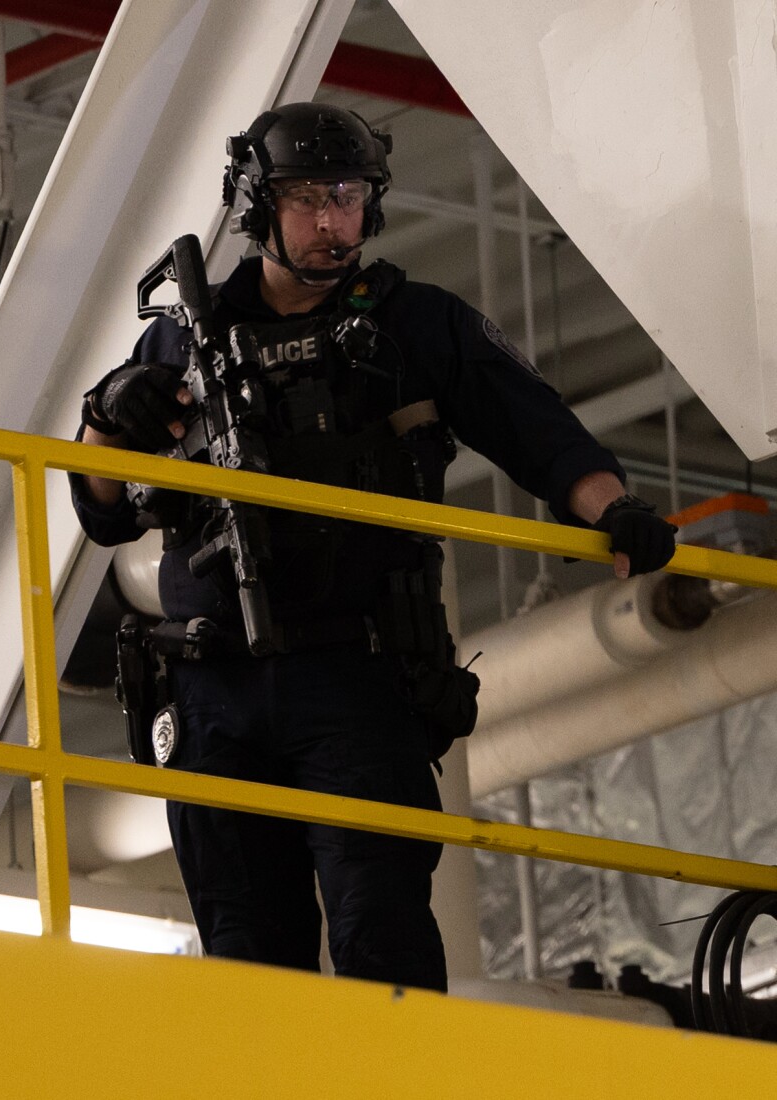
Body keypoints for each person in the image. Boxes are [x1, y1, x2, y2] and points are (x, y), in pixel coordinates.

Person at [70, 102, 675, 992]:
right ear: (258, 206)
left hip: (357, 677)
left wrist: (614, 509)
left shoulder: (415, 323)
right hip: (213, 686)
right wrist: (104, 420)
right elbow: (106, 513)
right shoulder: (181, 339)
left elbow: (539, 431)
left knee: (381, 931)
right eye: (308, 197)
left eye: (348, 196)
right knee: (244, 958)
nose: (330, 221)